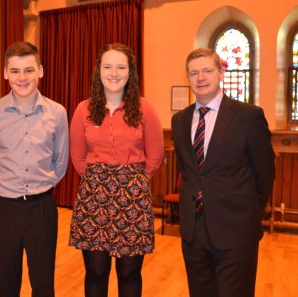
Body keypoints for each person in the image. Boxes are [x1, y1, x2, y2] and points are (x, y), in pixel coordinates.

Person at [171, 48, 275, 297]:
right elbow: (188, 172)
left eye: (207, 70)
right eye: (194, 72)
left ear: (221, 73)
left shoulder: (248, 116)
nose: (201, 77)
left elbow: (265, 173)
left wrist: (247, 210)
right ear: (188, 78)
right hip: (194, 231)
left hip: (236, 229)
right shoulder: (180, 121)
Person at [69, 43, 164, 297]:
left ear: (130, 72)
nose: (114, 72)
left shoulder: (145, 109)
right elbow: (78, 157)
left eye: (121, 66)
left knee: (129, 273)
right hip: (94, 199)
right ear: (98, 71)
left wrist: (131, 181)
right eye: (108, 66)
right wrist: (100, 181)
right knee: (96, 272)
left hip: (132, 199)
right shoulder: (83, 110)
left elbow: (155, 156)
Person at [0, 41, 69, 297]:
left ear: (40, 70)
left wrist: (40, 184)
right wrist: (6, 186)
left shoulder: (57, 113)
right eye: (15, 71)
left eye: (28, 70)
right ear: (5, 72)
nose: (22, 77)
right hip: (3, 211)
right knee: (6, 286)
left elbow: (60, 162)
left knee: (43, 286)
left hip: (42, 210)